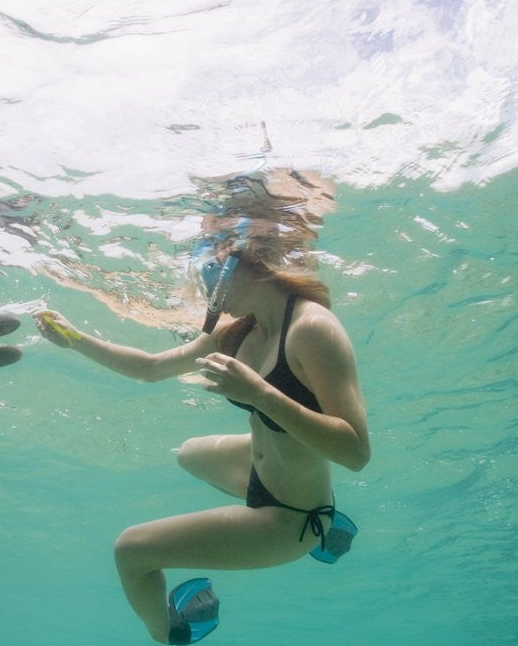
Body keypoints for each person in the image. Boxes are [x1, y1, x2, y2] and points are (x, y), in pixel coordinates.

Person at [33, 219, 370, 644]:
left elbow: (356, 452)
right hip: (269, 469)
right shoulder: (240, 330)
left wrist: (261, 394)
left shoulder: (313, 329)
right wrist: (76, 340)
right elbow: (150, 368)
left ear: (249, 263)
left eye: (210, 273)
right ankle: (327, 519)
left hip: (289, 521)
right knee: (189, 453)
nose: (206, 290)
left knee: (132, 551)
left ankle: (169, 631)